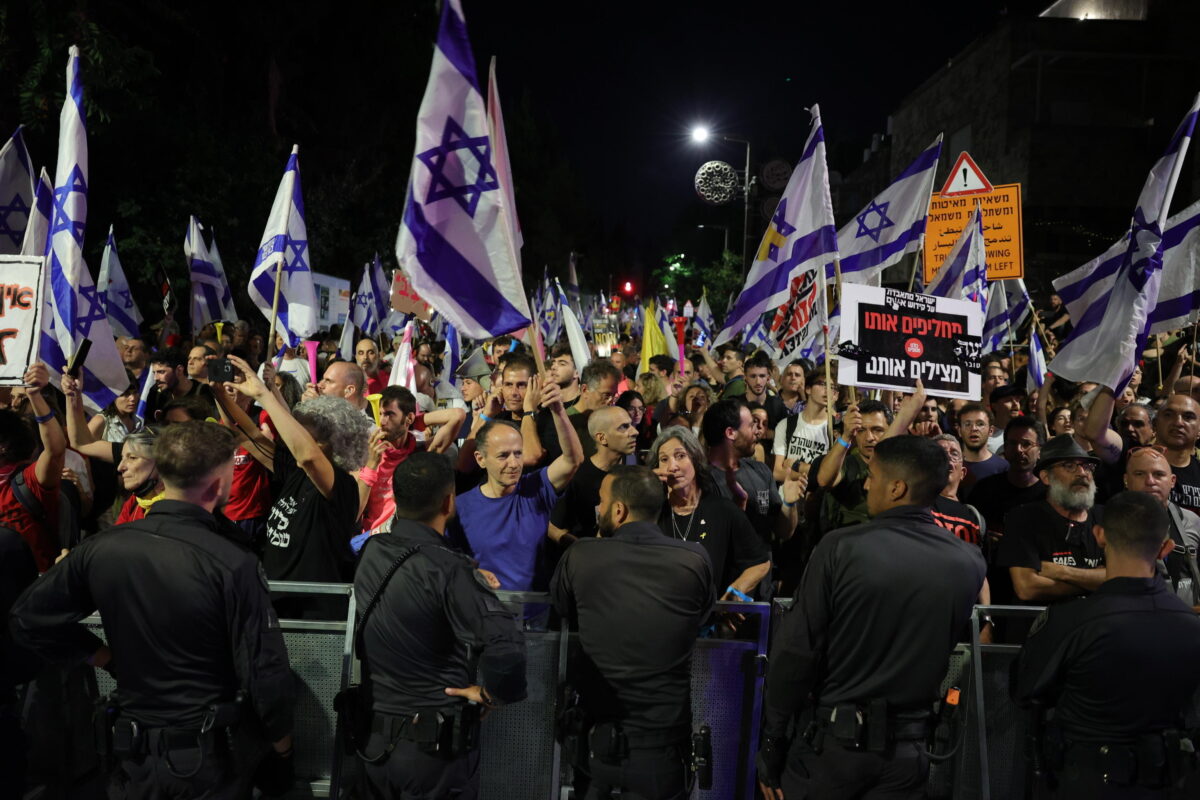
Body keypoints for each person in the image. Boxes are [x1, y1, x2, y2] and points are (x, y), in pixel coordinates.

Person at [10, 421, 295, 799]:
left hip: (132, 760)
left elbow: (28, 617)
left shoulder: (103, 547)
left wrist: (103, 656)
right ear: (220, 483)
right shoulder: (232, 563)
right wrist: (283, 749)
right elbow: (264, 670)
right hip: (207, 764)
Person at [757, 436, 986, 800]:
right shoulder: (970, 562)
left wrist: (772, 739)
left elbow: (798, 651)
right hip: (910, 756)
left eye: (873, 475)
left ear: (896, 487)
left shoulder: (839, 547)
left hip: (832, 752)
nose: (865, 483)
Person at [353, 453, 526, 799]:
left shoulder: (373, 551)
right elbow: (507, 651)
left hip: (372, 748)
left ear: (396, 498)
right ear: (449, 502)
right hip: (432, 756)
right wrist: (492, 693)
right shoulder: (449, 570)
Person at [1011, 491, 1200, 799]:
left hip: (1083, 780)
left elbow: (1024, 690)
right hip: (1169, 780)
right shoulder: (1190, 626)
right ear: (1166, 548)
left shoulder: (1068, 622)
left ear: (1100, 535)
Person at [552, 465, 714, 799]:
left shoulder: (581, 555)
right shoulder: (694, 559)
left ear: (619, 510)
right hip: (665, 750)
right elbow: (701, 616)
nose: (598, 509)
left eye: (602, 502)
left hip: (597, 747)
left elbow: (562, 608)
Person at [227, 356, 371, 617]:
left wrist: (264, 393)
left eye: (302, 429)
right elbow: (243, 434)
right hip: (274, 604)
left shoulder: (342, 486)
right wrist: (217, 390)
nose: (292, 432)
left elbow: (307, 456)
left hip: (311, 617)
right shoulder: (296, 470)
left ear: (327, 442)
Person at [448, 377, 583, 593]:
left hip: (536, 616)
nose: (513, 463)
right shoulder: (460, 509)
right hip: (484, 615)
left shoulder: (535, 489)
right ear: (480, 459)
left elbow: (573, 460)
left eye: (518, 453)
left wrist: (558, 411)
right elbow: (449, 564)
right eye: (503, 455)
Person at [650, 426, 770, 600]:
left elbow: (760, 562)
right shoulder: (652, 513)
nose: (672, 466)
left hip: (708, 620)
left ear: (696, 459)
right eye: (663, 459)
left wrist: (736, 591)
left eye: (680, 456)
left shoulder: (723, 510)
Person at [996, 434, 1106, 605]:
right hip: (1041, 626)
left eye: (1087, 466)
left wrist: (1063, 572)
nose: (1082, 473)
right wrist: (1094, 582)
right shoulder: (1023, 518)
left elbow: (1121, 578)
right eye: (1069, 466)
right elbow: (1027, 587)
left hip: (1096, 625)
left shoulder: (1107, 518)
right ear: (1046, 477)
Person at [703, 398, 802, 554]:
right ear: (731, 433)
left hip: (764, 576)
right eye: (751, 425)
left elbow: (784, 532)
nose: (757, 431)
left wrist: (789, 504)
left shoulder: (761, 471)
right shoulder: (703, 483)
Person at [0, 363, 66, 572]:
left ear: (4, 445)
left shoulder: (25, 480)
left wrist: (35, 395)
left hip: (31, 588)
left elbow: (55, 451)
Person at [549, 406, 639, 543]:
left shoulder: (636, 472)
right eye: (624, 427)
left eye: (631, 425)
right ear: (602, 438)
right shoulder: (576, 478)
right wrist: (584, 550)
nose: (635, 432)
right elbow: (554, 528)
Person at [1123, 446, 1200, 605]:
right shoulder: (1110, 522)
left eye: (1158, 474)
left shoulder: (1192, 521)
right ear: (1126, 480)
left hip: (1188, 618)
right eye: (1139, 474)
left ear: (1172, 481)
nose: (1150, 481)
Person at [810, 398, 893, 534]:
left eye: (877, 430)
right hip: (847, 546)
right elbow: (824, 480)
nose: (869, 437)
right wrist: (846, 435)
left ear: (890, 430)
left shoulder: (898, 467)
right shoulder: (846, 463)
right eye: (861, 431)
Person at [967, 417, 1047, 545]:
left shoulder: (1050, 495)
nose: (1019, 450)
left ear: (1040, 451)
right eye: (1012, 443)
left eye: (1026, 444)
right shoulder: (985, 489)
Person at [772, 369, 834, 483]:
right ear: (808, 389)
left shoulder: (835, 430)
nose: (828, 390)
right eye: (822, 384)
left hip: (816, 498)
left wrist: (796, 467)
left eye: (832, 387)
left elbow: (831, 475)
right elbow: (777, 472)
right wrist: (812, 476)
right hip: (787, 497)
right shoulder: (786, 425)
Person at [144, 346, 216, 422]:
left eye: (161, 372)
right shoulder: (155, 393)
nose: (156, 378)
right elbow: (149, 427)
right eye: (154, 373)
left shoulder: (204, 392)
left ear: (179, 370)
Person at [957, 402, 1007, 490]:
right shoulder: (951, 466)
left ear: (991, 431)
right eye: (967, 424)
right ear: (959, 431)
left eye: (980, 424)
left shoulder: (1003, 468)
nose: (973, 429)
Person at [744, 351, 786, 430]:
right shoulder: (735, 404)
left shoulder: (778, 405)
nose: (758, 382)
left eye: (762, 376)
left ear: (768, 378)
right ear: (745, 377)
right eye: (753, 376)